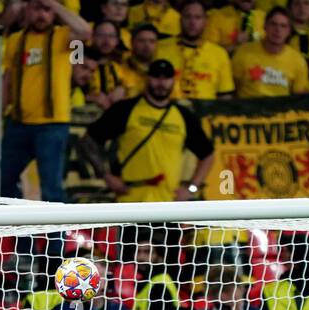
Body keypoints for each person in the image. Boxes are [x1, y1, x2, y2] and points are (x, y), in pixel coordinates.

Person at [80, 58, 215, 203]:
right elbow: (88, 141)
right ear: (147, 79)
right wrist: (107, 177)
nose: (161, 83)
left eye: (166, 78)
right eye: (156, 77)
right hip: (131, 203)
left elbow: (207, 154)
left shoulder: (184, 115)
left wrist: (191, 189)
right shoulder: (126, 109)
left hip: (169, 204)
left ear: (173, 81)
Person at [0, 0, 92, 202]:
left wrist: (55, 4)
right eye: (37, 8)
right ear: (27, 9)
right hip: (18, 123)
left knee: (51, 188)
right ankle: (20, 232)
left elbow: (85, 31)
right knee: (3, 183)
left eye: (47, 10)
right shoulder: (15, 40)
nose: (42, 15)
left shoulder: (63, 36)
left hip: (52, 124)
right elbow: (6, 83)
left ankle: (55, 235)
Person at [155, 0, 234, 99]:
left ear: (205, 21)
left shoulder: (219, 54)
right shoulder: (160, 48)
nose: (192, 22)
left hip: (206, 112)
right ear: (180, 19)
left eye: (198, 17)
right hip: (170, 111)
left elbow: (225, 96)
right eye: (188, 17)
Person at [231, 5, 309, 96]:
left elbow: (300, 97)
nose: (278, 30)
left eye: (283, 26)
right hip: (247, 108)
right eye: (273, 24)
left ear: (289, 31)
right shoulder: (244, 52)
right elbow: (232, 88)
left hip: (282, 109)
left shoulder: (298, 60)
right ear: (264, 26)